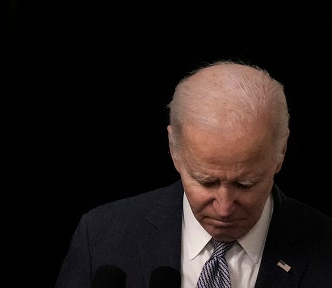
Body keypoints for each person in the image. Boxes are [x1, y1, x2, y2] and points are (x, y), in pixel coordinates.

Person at [54, 60, 332, 288]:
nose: (224, 208)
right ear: (175, 151)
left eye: (246, 184)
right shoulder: (102, 236)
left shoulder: (325, 247)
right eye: (206, 181)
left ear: (281, 151)